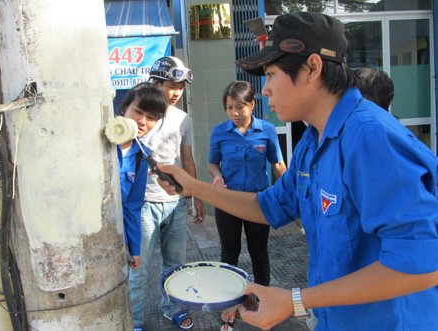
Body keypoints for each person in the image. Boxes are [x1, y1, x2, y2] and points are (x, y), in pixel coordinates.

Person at [155, 12, 438, 331]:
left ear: (313, 67)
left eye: (271, 73)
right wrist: (194, 187)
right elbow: (269, 206)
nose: (264, 90)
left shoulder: (371, 139)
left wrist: (296, 300)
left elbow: (421, 266)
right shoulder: (314, 139)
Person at [128, 56, 205, 331]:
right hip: (143, 205)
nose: (176, 93)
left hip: (175, 204)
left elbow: (188, 159)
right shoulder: (137, 116)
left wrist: (196, 197)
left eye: (181, 87)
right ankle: (134, 319)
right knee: (139, 267)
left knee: (176, 265)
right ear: (155, 83)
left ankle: (173, 308)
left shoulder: (183, 119)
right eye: (171, 85)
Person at [208, 80, 286, 331]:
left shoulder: (267, 131)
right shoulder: (219, 132)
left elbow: (277, 165)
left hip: (257, 202)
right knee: (229, 254)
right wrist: (217, 176)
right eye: (229, 108)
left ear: (252, 105)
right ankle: (228, 305)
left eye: (239, 108)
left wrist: (291, 194)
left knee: (259, 254)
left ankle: (263, 301)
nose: (234, 113)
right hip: (228, 202)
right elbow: (212, 163)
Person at [114, 82, 167, 271]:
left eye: (151, 117)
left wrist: (134, 248)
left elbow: (132, 206)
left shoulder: (141, 156)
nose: (143, 121)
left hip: (113, 237)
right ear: (124, 108)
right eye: (138, 112)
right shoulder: (100, 141)